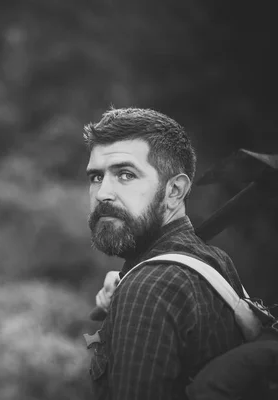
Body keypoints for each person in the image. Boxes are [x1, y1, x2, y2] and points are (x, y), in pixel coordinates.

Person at [83, 107, 247, 400]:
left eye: (125, 174)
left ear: (174, 190)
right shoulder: (215, 262)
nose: (102, 193)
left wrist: (136, 289)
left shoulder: (150, 287)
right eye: (96, 177)